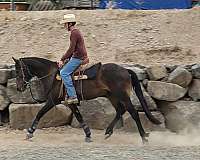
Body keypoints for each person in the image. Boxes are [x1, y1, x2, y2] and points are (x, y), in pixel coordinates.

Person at [57, 14, 89, 104]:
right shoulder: (76, 32)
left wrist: (62, 59)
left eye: (65, 24)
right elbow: (74, 49)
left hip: (78, 57)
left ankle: (73, 96)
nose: (64, 26)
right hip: (78, 56)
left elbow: (71, 49)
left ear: (70, 24)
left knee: (63, 73)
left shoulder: (74, 33)